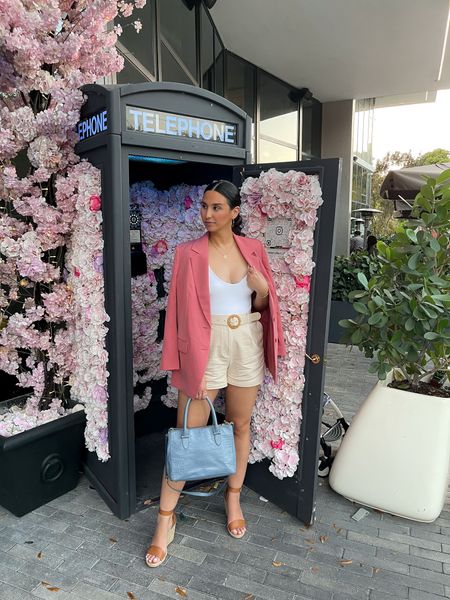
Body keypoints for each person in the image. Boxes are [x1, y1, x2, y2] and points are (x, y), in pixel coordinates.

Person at [145, 180, 286, 567]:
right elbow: (176, 313)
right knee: (187, 432)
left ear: (235, 212)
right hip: (206, 346)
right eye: (205, 207)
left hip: (246, 339)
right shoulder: (188, 253)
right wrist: (188, 364)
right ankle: (164, 520)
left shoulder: (254, 250)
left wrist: (260, 291)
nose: (208, 214)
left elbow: (262, 303)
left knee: (240, 424)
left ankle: (233, 497)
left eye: (217, 207)